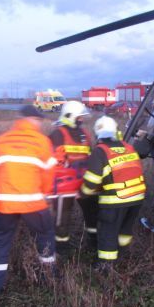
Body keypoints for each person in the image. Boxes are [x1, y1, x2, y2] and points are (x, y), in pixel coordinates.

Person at [0, 105, 58, 295]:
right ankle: (48, 277)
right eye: (39, 121)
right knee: (45, 236)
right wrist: (46, 193)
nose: (40, 124)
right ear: (33, 120)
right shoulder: (41, 141)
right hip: (32, 202)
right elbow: (48, 173)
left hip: (4, 203)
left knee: (0, 243)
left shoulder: (1, 140)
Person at [79, 116, 146, 272]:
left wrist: (82, 194)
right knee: (125, 230)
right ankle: (122, 255)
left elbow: (91, 181)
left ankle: (105, 266)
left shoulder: (100, 151)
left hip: (116, 199)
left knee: (108, 231)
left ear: (98, 134)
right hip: (137, 197)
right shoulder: (128, 146)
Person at [48, 100, 93, 251]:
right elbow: (52, 160)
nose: (82, 119)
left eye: (82, 117)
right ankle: (61, 248)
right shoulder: (57, 134)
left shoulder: (85, 134)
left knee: (92, 213)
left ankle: (93, 243)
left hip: (85, 183)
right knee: (62, 218)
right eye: (79, 117)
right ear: (70, 116)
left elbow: (91, 156)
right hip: (64, 183)